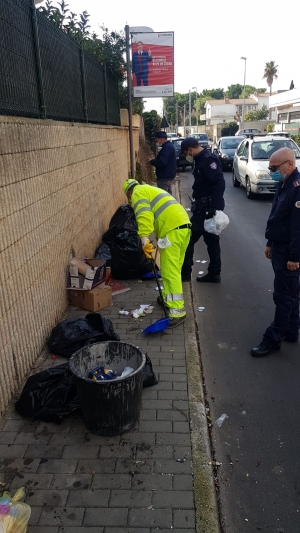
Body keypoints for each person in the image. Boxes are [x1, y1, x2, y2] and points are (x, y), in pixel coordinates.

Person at [251, 147, 300, 357]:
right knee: (291, 293)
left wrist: (294, 257)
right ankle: (291, 329)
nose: (271, 171)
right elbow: (276, 217)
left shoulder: (297, 188)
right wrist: (270, 242)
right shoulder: (284, 183)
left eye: (274, 167)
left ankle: (273, 339)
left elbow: (297, 227)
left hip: (289, 251)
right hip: (280, 247)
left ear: (289, 164)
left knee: (283, 296)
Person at [123, 179, 191, 328]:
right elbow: (161, 213)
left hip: (172, 230)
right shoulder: (150, 189)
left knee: (169, 272)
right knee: (174, 270)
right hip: (183, 227)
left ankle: (177, 312)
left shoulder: (138, 192)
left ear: (129, 192)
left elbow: (144, 216)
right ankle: (168, 299)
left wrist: (144, 238)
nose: (130, 200)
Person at [180, 137, 226, 283]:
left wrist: (214, 207)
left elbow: (219, 183)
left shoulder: (207, 159)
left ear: (190, 150)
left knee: (188, 238)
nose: (186, 156)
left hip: (206, 209)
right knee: (212, 241)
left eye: (185, 153)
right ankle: (214, 273)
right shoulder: (200, 159)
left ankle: (185, 273)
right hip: (204, 207)